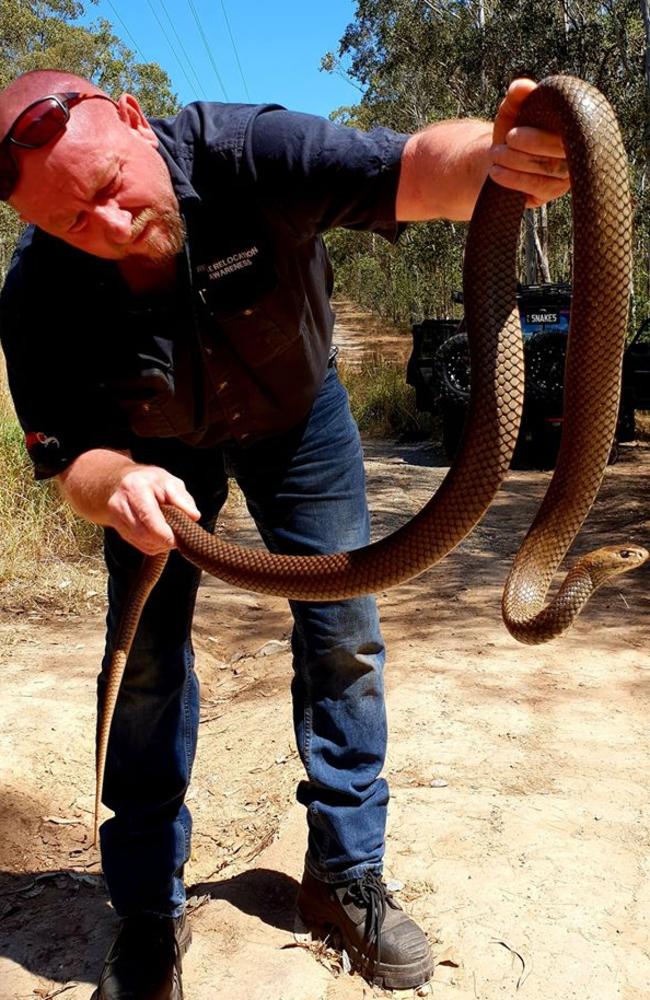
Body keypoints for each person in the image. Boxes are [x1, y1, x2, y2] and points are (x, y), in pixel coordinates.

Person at [0, 68, 569, 999]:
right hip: (149, 453)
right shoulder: (37, 292)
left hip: (299, 419)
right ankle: (146, 911)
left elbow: (423, 170)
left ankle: (346, 876)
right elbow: (69, 460)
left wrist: (505, 159)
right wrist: (117, 485)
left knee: (344, 633)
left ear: (136, 120)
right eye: (70, 222)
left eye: (108, 189)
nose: (105, 227)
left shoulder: (247, 152)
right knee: (142, 659)